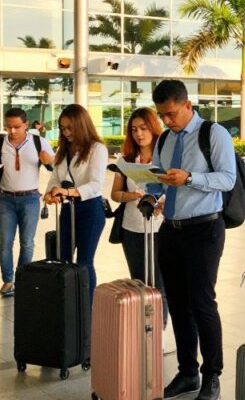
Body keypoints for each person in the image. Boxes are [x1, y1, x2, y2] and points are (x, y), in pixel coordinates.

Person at [150, 79, 236, 400]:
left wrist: (190, 178)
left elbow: (228, 179)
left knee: (202, 303)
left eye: (171, 114)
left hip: (204, 229)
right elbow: (160, 180)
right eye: (162, 116)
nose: (167, 121)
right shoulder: (165, 139)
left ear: (187, 105)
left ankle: (212, 375)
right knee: (179, 303)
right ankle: (188, 372)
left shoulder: (213, 134)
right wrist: (151, 191)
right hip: (171, 230)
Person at [109, 107, 169, 328]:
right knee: (139, 282)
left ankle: (159, 331)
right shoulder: (125, 160)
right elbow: (115, 194)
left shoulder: (165, 157)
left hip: (160, 228)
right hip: (132, 228)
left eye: (143, 128)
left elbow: (174, 191)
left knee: (160, 283)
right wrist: (132, 195)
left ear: (153, 128)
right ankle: (144, 328)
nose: (139, 134)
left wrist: (162, 204)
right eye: (134, 130)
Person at [0, 108, 55, 297]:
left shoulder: (39, 142)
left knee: (27, 243)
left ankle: (22, 278)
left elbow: (55, 167)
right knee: (5, 242)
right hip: (5, 199)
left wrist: (49, 160)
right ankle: (8, 281)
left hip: (31, 198)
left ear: (26, 124)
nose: (12, 131)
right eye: (9, 127)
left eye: (17, 126)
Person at [43, 104, 108, 303]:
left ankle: (87, 307)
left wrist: (68, 192)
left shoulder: (97, 149)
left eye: (70, 127)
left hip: (90, 209)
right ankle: (66, 303)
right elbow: (55, 177)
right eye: (63, 128)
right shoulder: (64, 149)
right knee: (62, 258)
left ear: (82, 125)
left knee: (84, 261)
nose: (66, 132)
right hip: (67, 209)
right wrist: (50, 193)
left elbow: (95, 184)